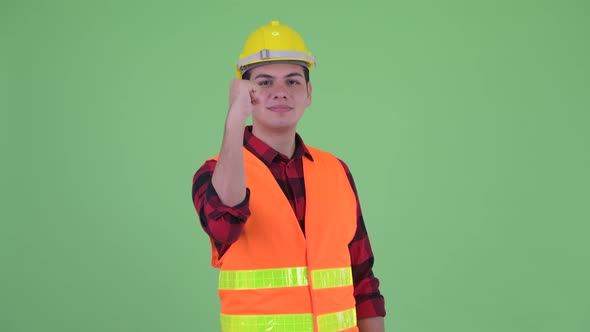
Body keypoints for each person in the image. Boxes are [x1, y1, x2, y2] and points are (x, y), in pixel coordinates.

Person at [191, 20, 386, 332]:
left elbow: (362, 278)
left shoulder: (336, 170)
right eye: (265, 83)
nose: (280, 92)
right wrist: (234, 121)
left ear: (309, 93)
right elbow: (223, 226)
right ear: (245, 93)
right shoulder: (215, 171)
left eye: (293, 82)